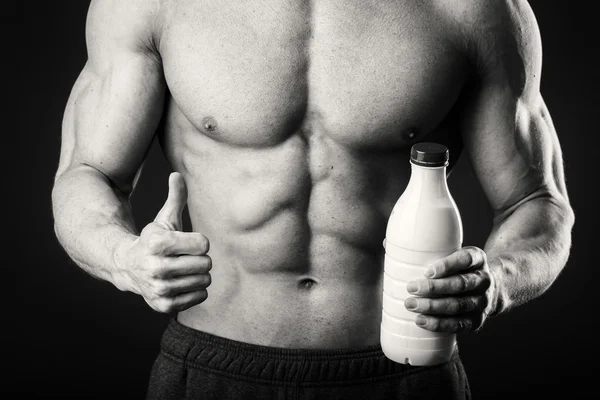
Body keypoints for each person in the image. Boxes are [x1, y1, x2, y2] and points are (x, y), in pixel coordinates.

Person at [51, 0, 575, 399]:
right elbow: (87, 173)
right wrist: (124, 259)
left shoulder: (471, 9)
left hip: (406, 371)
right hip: (215, 369)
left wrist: (499, 282)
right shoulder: (152, 5)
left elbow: (537, 200)